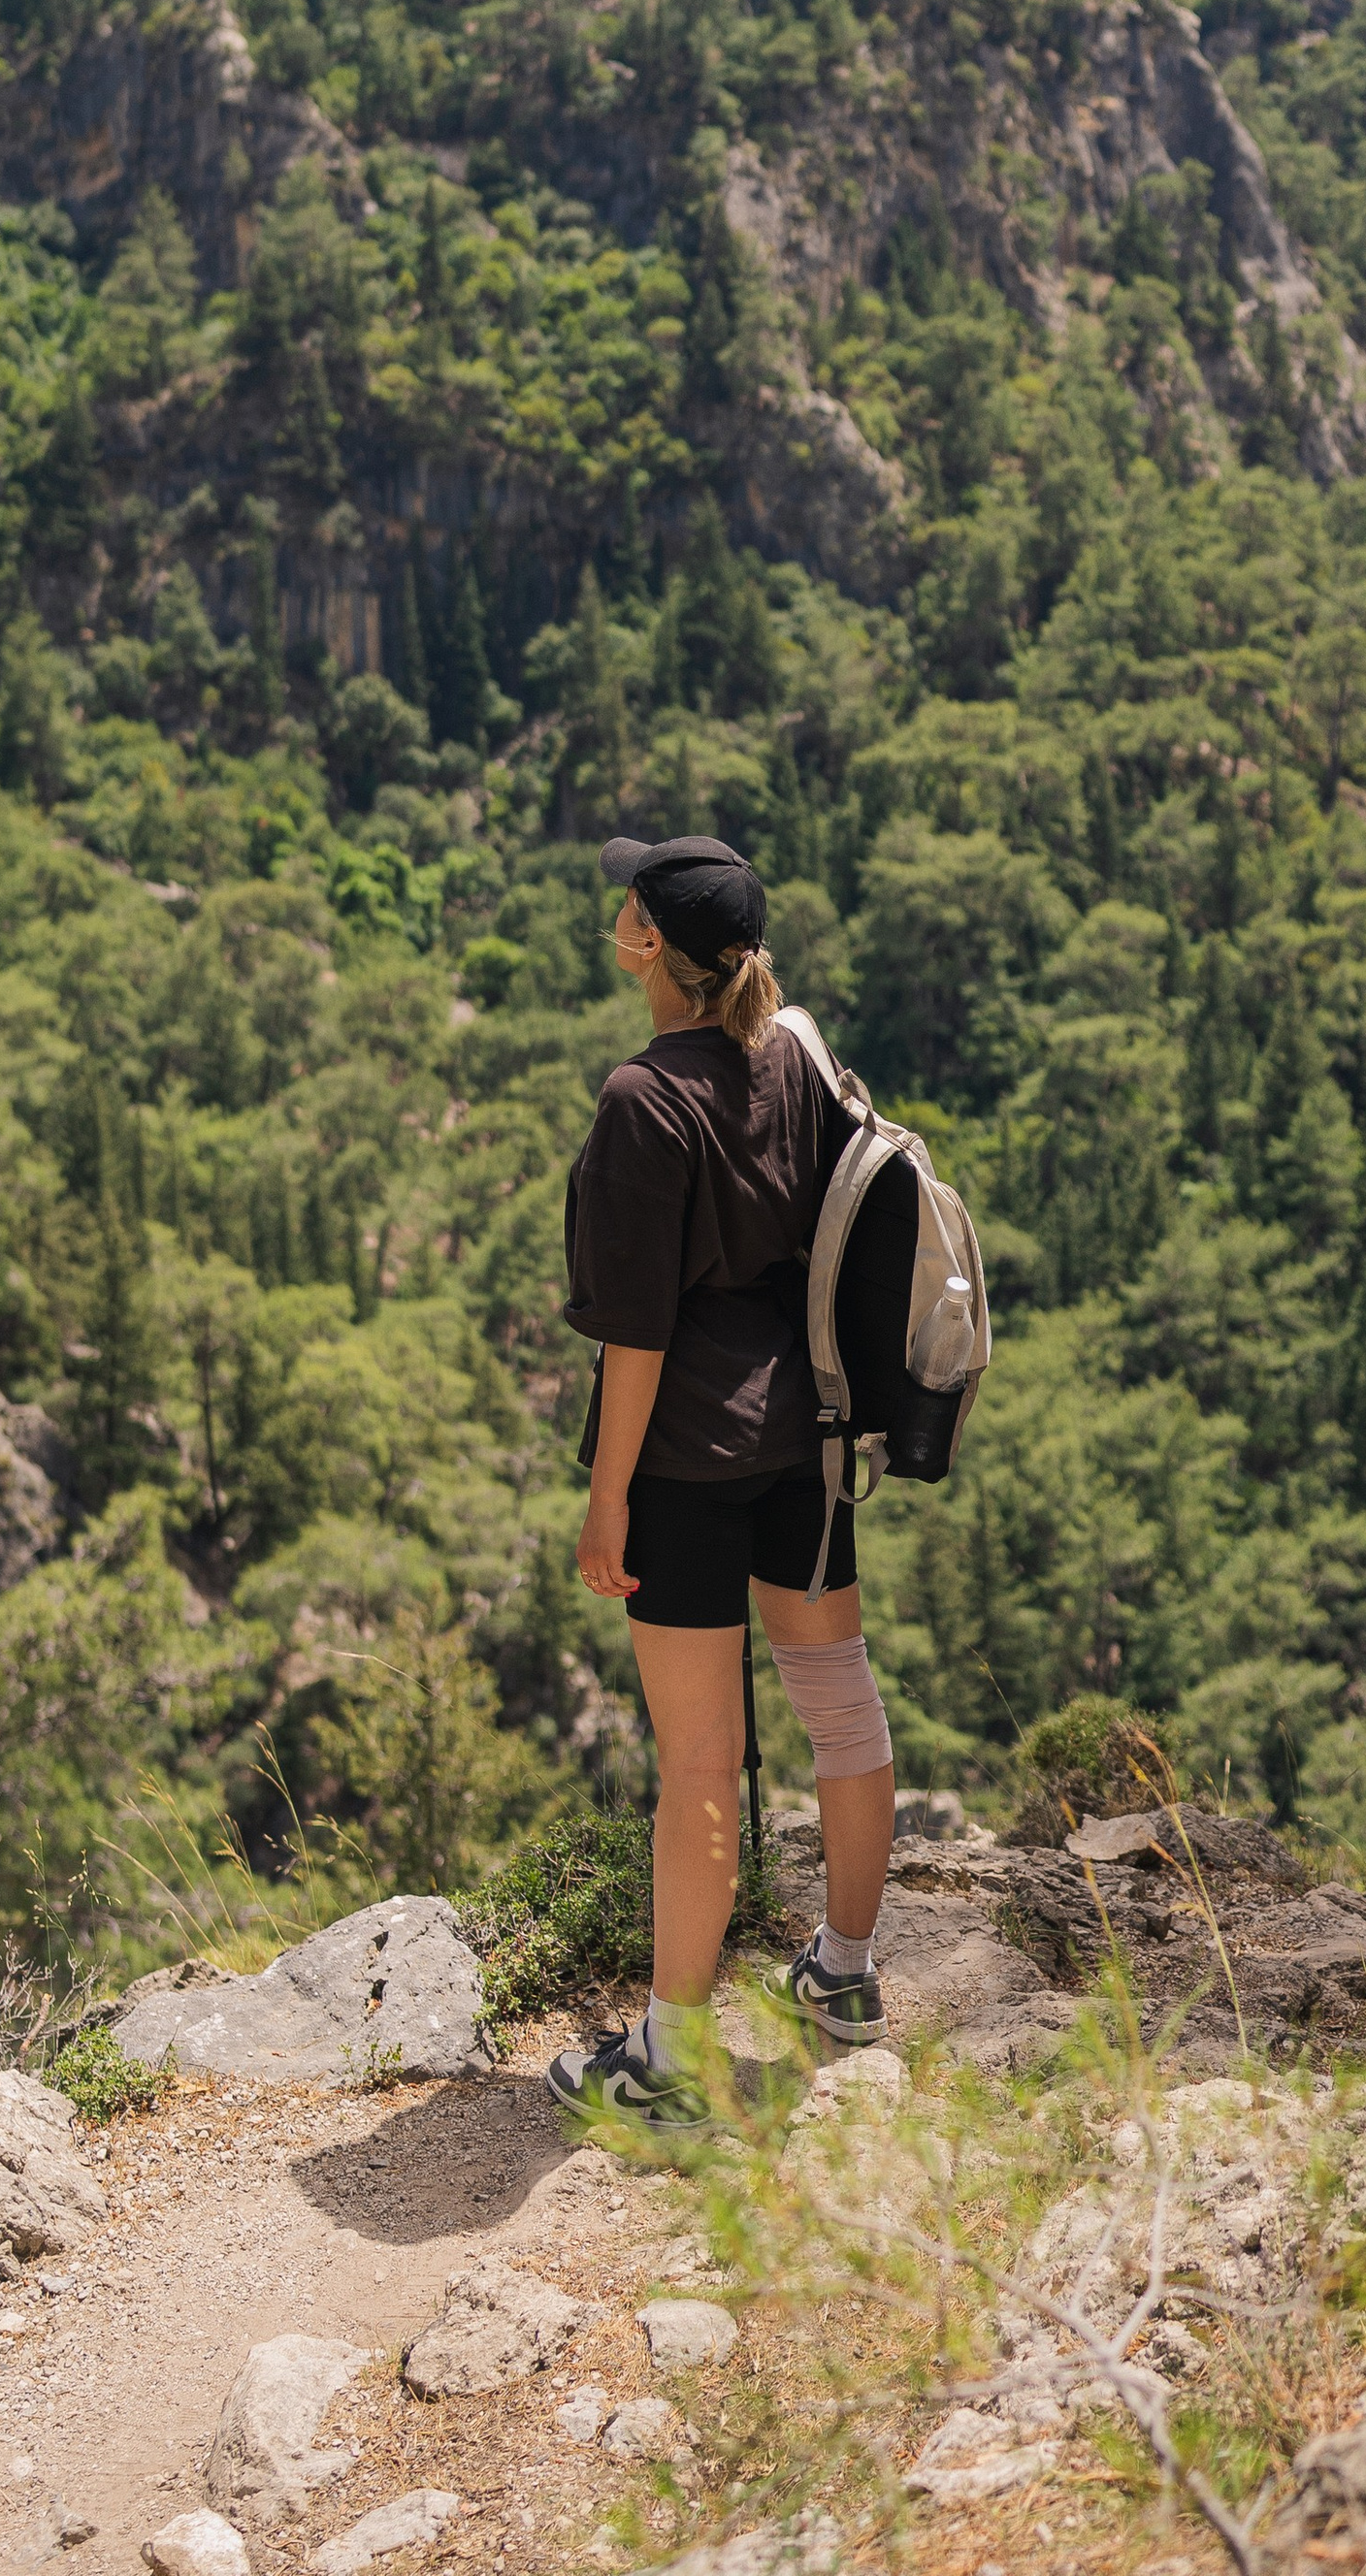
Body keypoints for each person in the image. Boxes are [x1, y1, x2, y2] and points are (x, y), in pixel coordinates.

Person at [547, 831, 898, 2129]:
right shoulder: (791, 1054)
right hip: (804, 1440)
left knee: (701, 1762)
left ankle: (669, 2065)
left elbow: (636, 1335)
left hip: (689, 1462)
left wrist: (608, 1499)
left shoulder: (647, 1099)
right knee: (840, 1711)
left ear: (653, 945)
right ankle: (847, 1982)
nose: (618, 905)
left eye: (631, 899)